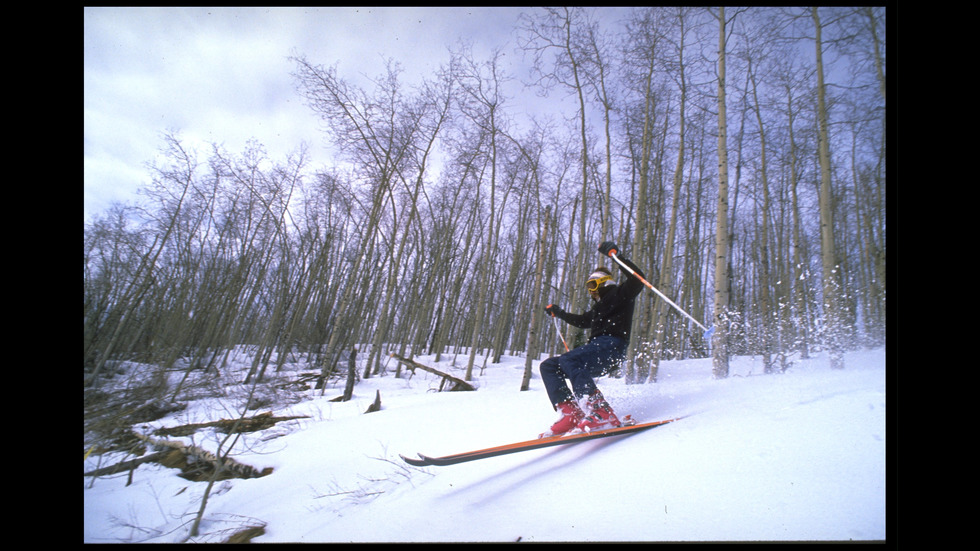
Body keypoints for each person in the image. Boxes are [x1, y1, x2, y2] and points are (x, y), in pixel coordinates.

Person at [539, 241, 646, 437]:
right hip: (596, 349)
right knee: (549, 366)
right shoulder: (598, 308)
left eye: (592, 285)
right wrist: (559, 313)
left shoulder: (621, 295)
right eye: (588, 287)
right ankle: (571, 413)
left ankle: (600, 410)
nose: (591, 291)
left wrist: (617, 255)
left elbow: (638, 279)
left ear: (604, 282)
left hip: (613, 346)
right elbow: (582, 321)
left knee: (569, 358)